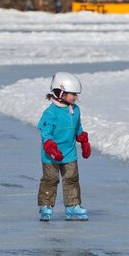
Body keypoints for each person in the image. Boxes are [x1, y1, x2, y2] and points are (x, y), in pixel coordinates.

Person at [37, 72, 91, 221]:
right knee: (50, 179)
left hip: (69, 152)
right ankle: (46, 206)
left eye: (76, 94)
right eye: (72, 94)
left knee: (72, 178)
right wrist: (50, 147)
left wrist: (83, 140)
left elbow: (77, 127)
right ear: (60, 93)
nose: (75, 97)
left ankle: (72, 206)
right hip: (51, 154)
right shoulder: (51, 112)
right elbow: (45, 131)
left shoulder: (75, 110)